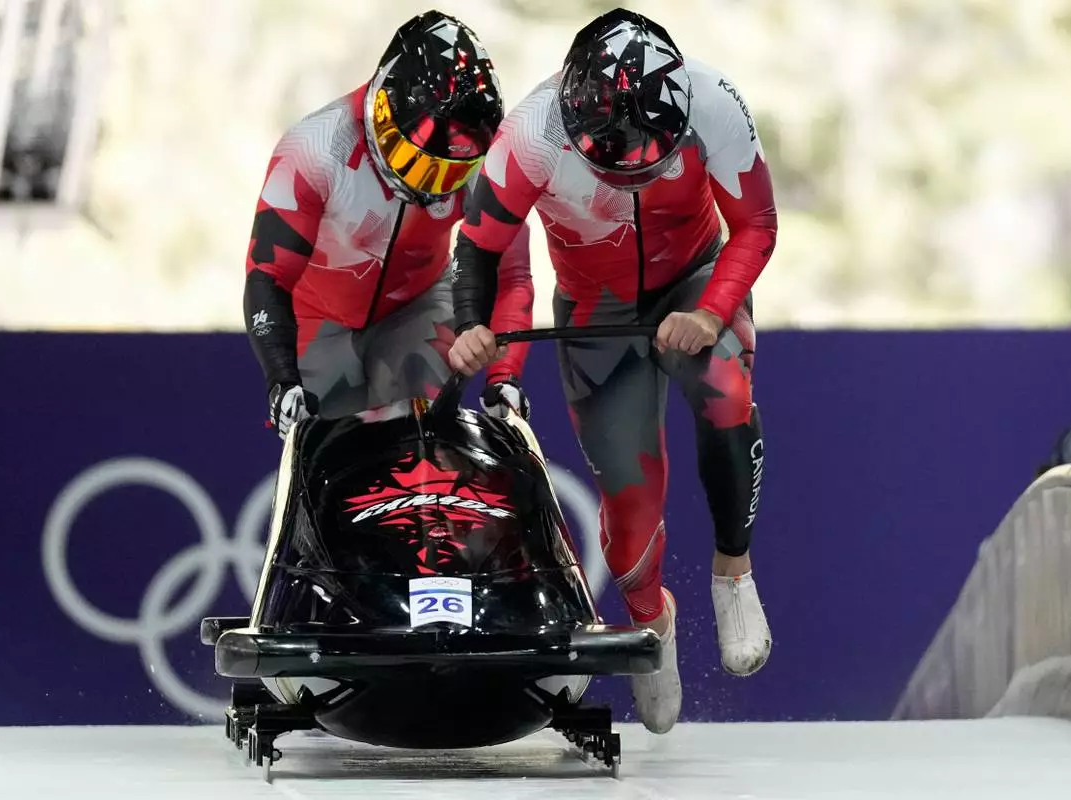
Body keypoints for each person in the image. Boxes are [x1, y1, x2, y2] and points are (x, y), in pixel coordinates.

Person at [448, 8, 777, 733]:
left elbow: (756, 225)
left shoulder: (715, 101)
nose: (632, 172)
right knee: (630, 512)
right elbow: (477, 247)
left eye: (650, 161)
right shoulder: (530, 136)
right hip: (596, 310)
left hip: (695, 279)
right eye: (611, 161)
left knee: (725, 390)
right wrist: (473, 325)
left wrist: (711, 313)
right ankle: (652, 620)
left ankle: (733, 571)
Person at [243, 10, 533, 437]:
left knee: (418, 437)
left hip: (418, 308)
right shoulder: (313, 151)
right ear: (382, 111)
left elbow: (512, 274)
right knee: (329, 450)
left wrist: (504, 377)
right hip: (317, 320)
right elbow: (267, 274)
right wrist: (282, 379)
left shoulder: (489, 159)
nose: (424, 184)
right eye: (412, 159)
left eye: (449, 173)